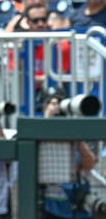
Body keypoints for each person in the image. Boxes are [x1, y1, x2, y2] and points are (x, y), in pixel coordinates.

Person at [37, 87, 98, 219]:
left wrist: (75, 137)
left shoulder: (78, 131)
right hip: (49, 208)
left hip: (76, 206)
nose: (55, 106)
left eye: (59, 102)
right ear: (43, 106)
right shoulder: (37, 132)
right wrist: (48, 119)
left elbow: (90, 164)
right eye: (50, 102)